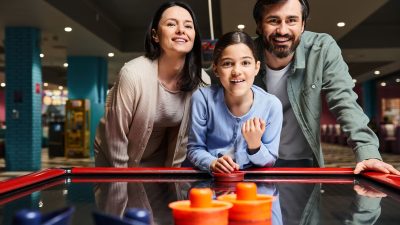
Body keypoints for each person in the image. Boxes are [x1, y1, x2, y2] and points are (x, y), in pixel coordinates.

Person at [251, 0, 400, 174]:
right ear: (260, 26)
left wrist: (368, 153)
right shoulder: (245, 52)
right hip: (253, 161)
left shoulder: (321, 48)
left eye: (292, 20)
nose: (283, 30)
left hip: (304, 162)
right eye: (273, 20)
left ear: (303, 25)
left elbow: (344, 100)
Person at [94, 1, 210, 168]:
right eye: (171, 24)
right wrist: (121, 181)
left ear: (194, 36)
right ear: (155, 35)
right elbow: (115, 139)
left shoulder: (202, 81)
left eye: (188, 26)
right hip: (114, 159)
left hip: (158, 163)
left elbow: (184, 141)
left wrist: (173, 179)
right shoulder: (132, 74)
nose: (181, 30)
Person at [187, 31, 283, 173]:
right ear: (216, 69)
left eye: (245, 63)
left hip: (255, 188)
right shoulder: (202, 99)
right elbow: (195, 149)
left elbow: (270, 161)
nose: (236, 71)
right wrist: (211, 163)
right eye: (227, 64)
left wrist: (255, 145)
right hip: (211, 184)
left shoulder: (271, 105)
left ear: (256, 67)